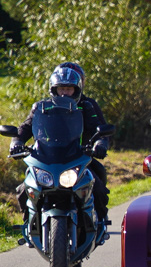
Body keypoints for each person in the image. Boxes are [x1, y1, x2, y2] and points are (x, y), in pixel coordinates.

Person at [11, 65, 111, 227]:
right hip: (47, 158)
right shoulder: (42, 107)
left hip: (79, 157)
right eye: (61, 89)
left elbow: (97, 128)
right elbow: (26, 127)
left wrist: (100, 143)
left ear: (77, 89)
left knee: (98, 187)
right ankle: (29, 222)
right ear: (54, 89)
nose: (65, 93)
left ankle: (99, 222)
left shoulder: (86, 106)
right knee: (25, 188)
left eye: (69, 89)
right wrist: (17, 141)